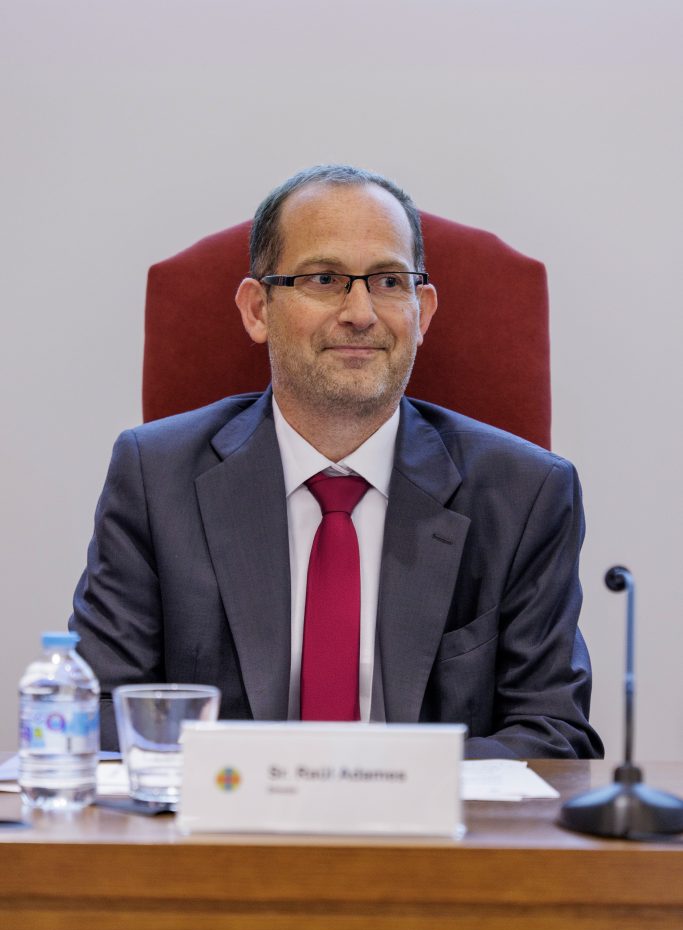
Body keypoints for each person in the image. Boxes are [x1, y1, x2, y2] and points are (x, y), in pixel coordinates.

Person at [70, 164, 603, 758]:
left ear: (422, 312)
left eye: (388, 282)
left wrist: (381, 781)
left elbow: (552, 737)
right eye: (325, 279)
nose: (360, 312)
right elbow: (98, 712)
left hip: (432, 845)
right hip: (224, 837)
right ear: (257, 310)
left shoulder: (526, 494)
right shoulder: (154, 477)